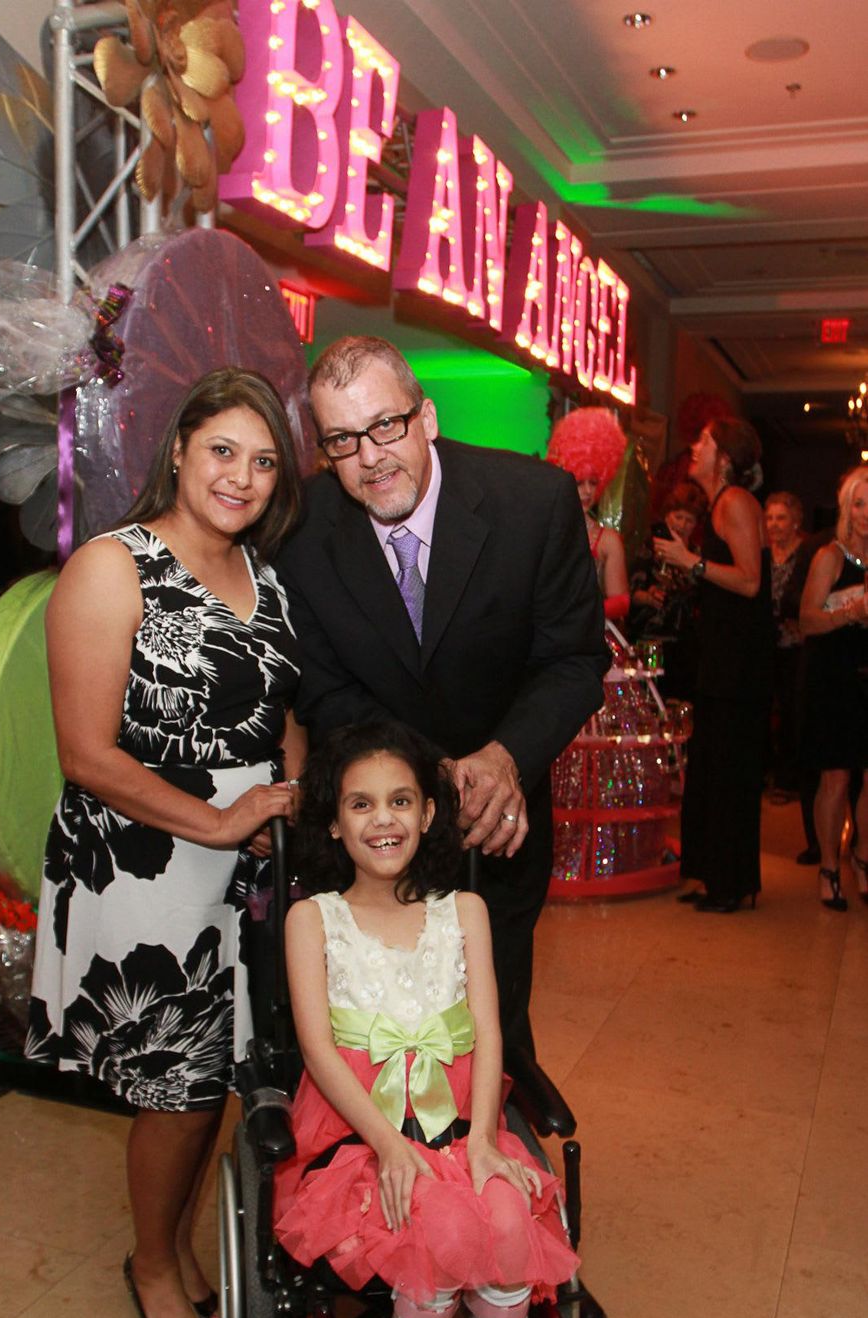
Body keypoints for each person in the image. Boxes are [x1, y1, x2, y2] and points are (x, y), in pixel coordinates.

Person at [26, 368, 305, 1318]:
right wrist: (220, 821)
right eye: (222, 449)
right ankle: (151, 1262)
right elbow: (87, 753)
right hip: (143, 856)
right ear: (179, 450)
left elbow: (285, 710)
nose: (240, 476)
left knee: (215, 1077)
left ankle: (178, 1246)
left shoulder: (265, 577)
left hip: (238, 864)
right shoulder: (113, 565)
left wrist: (288, 794)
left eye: (263, 461)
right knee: (174, 1084)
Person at [275, 335, 608, 1061]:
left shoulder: (533, 503)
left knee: (495, 1028)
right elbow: (324, 689)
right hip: (373, 834)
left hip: (501, 823)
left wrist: (503, 758)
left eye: (384, 426)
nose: (369, 457)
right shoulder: (300, 535)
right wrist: (429, 776)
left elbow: (575, 660)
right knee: (376, 1034)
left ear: (426, 417)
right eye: (341, 440)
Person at [274, 722, 580, 1318]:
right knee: (438, 1229)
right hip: (359, 1132)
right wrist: (386, 1146)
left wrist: (480, 1142)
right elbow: (317, 1047)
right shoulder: (313, 920)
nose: (384, 820)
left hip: (457, 1126)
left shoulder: (462, 914)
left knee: (507, 1221)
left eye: (401, 801)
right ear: (334, 822)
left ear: (429, 814)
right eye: (362, 805)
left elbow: (487, 1031)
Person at [655, 416, 774, 913]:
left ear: (724, 457)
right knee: (716, 768)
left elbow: (750, 581)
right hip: (725, 657)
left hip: (739, 663)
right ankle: (719, 877)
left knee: (729, 770)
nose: (694, 447)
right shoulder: (722, 504)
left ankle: (732, 883)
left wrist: (693, 564)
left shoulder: (737, 503)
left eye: (703, 441)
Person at [798, 467, 868, 911]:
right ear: (847, 507)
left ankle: (862, 859)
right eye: (860, 503)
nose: (867, 514)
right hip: (834, 678)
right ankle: (829, 867)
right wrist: (851, 611)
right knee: (836, 779)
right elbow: (806, 620)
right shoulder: (831, 556)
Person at [546, 405, 630, 622]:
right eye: (579, 482)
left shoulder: (607, 541)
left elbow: (622, 601)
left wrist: (579, 616)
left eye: (593, 483)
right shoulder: (544, 532)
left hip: (592, 643)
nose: (588, 491)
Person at [628, 480, 706, 700]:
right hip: (651, 641)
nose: (682, 524)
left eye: (689, 520)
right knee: (650, 699)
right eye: (678, 517)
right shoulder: (650, 548)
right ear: (667, 516)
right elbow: (629, 593)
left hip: (685, 645)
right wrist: (648, 596)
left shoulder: (697, 556)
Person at [764, 492, 810, 801]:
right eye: (769, 518)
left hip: (797, 643)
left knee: (794, 710)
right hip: (766, 643)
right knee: (765, 707)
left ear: (795, 521)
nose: (774, 524)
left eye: (781, 518)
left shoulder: (806, 553)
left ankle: (789, 777)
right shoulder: (763, 552)